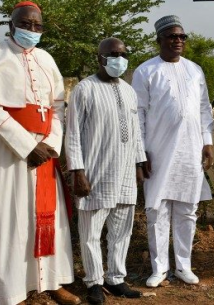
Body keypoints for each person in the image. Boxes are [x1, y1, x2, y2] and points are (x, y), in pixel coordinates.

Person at [0, 1, 80, 305]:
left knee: (48, 217)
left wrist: (50, 143)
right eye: (25, 24)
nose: (32, 29)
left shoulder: (46, 59)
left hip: (44, 152)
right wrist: (27, 145)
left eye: (37, 25)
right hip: (8, 151)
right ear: (11, 24)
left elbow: (56, 107)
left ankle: (51, 281)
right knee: (9, 218)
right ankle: (13, 291)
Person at [132, 15, 214, 287]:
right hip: (158, 152)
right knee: (157, 210)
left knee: (187, 210)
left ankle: (183, 265)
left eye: (181, 36)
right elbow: (139, 114)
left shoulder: (195, 70)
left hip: (190, 151)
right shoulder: (146, 71)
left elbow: (203, 108)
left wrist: (207, 142)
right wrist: (141, 154)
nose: (178, 41)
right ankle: (159, 269)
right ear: (159, 40)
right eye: (171, 36)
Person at [65, 38, 145, 304]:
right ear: (99, 58)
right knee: (91, 232)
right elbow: (73, 133)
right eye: (112, 54)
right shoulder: (84, 89)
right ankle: (94, 282)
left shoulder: (129, 90)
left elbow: (136, 132)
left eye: (123, 54)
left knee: (122, 228)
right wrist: (77, 170)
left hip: (124, 171)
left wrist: (138, 163)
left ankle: (116, 277)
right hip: (95, 171)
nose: (118, 58)